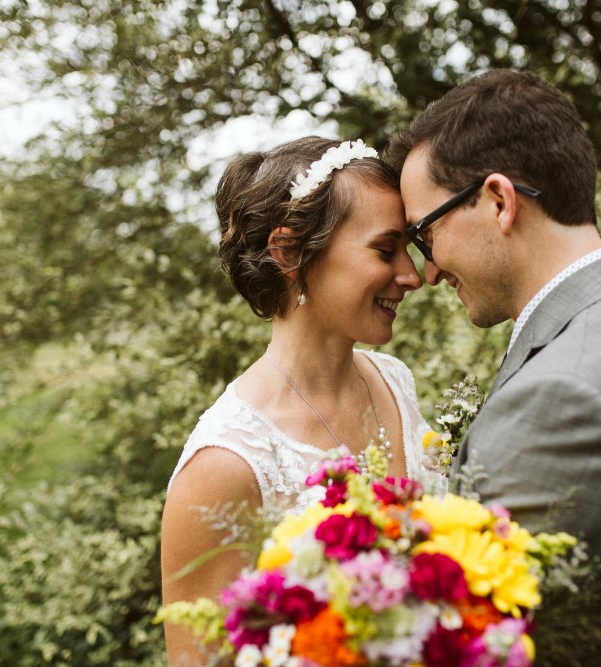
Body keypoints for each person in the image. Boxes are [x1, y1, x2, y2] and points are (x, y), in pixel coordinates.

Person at [387, 69, 601, 666]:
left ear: (497, 201)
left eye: (425, 234)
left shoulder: (564, 400)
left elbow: (473, 648)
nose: (428, 271)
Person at [160, 136, 429, 665]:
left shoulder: (395, 381)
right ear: (289, 253)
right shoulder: (225, 465)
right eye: (385, 249)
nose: (413, 276)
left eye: (410, 249)